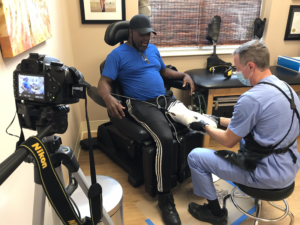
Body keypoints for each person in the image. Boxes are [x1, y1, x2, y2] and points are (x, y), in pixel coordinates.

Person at [97, 14, 218, 225]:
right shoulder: (116, 55)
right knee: (164, 138)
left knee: (198, 123)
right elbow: (104, 82)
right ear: (131, 33)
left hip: (164, 99)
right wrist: (108, 98)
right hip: (141, 105)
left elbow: (163, 71)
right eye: (143, 35)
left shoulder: (152, 50)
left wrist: (183, 76)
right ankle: (165, 198)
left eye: (150, 35)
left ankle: (193, 172)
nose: (147, 39)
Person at [187, 40, 300, 225]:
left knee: (195, 156)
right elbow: (249, 124)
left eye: (238, 68)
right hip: (289, 169)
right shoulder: (288, 90)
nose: (237, 73)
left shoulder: (251, 98)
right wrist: (215, 119)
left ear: (250, 66)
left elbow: (228, 140)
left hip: (264, 174)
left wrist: (205, 128)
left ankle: (215, 213)